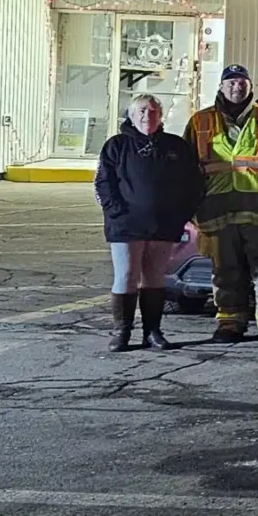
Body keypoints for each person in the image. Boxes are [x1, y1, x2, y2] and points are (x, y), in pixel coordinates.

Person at [184, 65, 258, 345]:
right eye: (231, 82)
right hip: (217, 211)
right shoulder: (200, 121)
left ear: (250, 86)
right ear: (221, 87)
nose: (237, 87)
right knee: (224, 271)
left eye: (242, 82)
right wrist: (193, 203)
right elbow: (186, 165)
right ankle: (230, 323)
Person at [94, 92, 203, 354]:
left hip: (163, 226)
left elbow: (194, 183)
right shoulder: (116, 146)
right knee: (126, 276)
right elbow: (103, 183)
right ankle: (122, 332)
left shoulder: (177, 147)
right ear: (131, 116)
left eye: (153, 111)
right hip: (125, 226)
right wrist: (117, 212)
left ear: (161, 116)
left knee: (154, 278)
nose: (147, 115)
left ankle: (152, 332)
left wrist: (182, 214)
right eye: (142, 110)